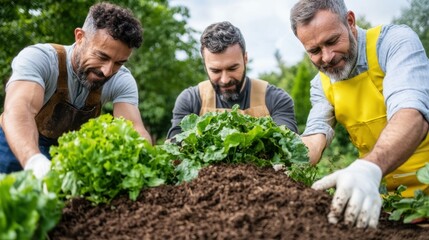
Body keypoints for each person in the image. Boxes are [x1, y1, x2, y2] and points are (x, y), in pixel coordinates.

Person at [290, 0, 429, 229]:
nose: (326, 57)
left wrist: (368, 168)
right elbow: (316, 134)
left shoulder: (393, 43)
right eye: (314, 51)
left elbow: (411, 112)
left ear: (350, 22)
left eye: (332, 41)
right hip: (387, 206)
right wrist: (285, 162)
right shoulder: (321, 83)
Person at [0, 2, 152, 179]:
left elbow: (133, 128)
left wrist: (144, 163)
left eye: (119, 63)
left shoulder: (122, 80)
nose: (107, 71)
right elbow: (20, 109)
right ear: (80, 37)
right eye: (102, 56)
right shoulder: (40, 58)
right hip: (13, 142)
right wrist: (34, 161)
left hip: (63, 151)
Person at [167, 21, 298, 139]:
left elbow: (288, 147)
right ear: (205, 66)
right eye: (216, 71)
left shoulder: (277, 99)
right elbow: (176, 150)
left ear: (245, 59)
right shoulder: (190, 100)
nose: (225, 80)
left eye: (232, 68)